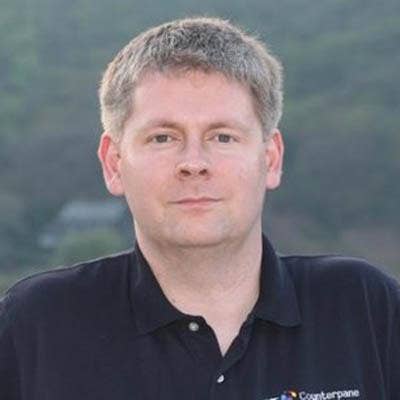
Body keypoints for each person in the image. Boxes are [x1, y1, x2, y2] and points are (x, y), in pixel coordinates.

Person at [0, 16, 399, 400]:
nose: (194, 163)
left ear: (271, 158)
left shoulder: (365, 309)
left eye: (223, 137)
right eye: (163, 138)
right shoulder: (36, 326)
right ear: (114, 163)